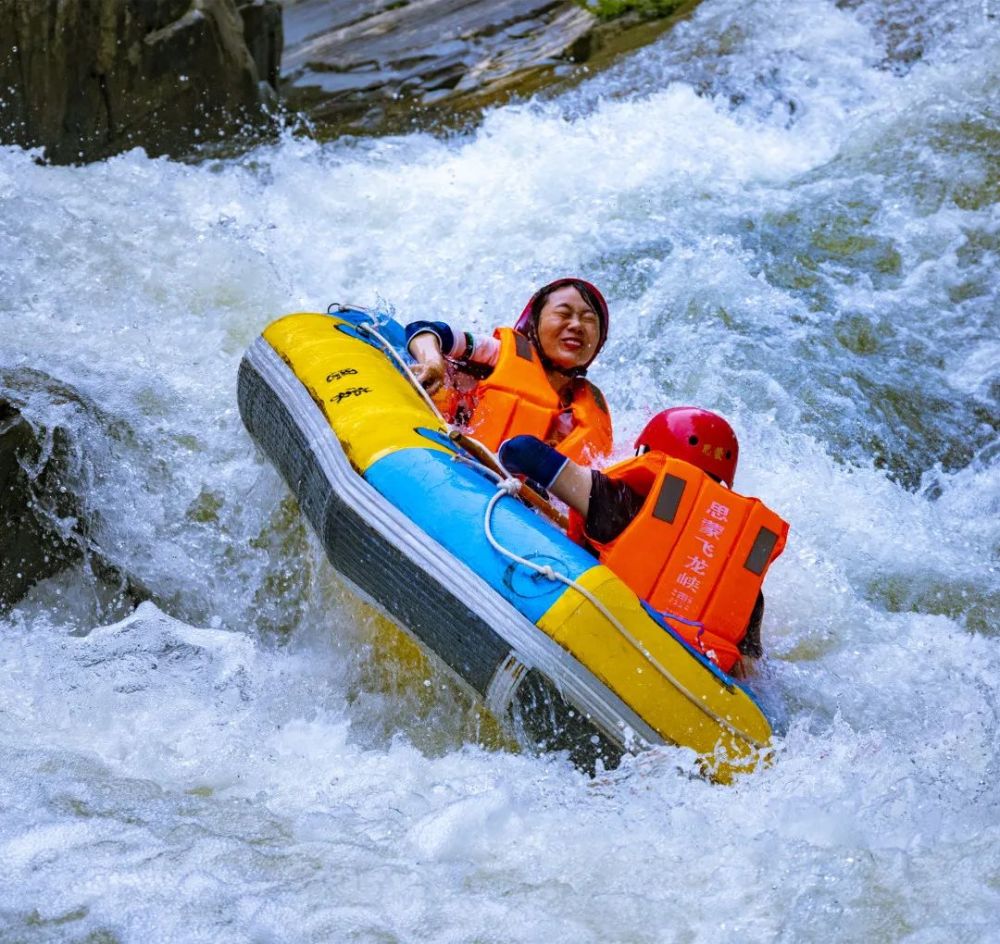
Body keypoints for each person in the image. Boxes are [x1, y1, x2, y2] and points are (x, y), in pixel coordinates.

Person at [498, 407, 789, 674]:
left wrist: (506, 468)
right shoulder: (748, 588)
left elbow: (525, 451)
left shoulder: (620, 502)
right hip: (682, 685)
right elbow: (747, 673)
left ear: (650, 455)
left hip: (603, 647)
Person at [405, 278, 613, 463]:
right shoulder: (497, 352)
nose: (576, 325)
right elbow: (427, 330)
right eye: (563, 314)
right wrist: (433, 362)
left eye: (588, 319)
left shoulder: (588, 412)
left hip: (511, 500)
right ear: (533, 323)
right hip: (446, 460)